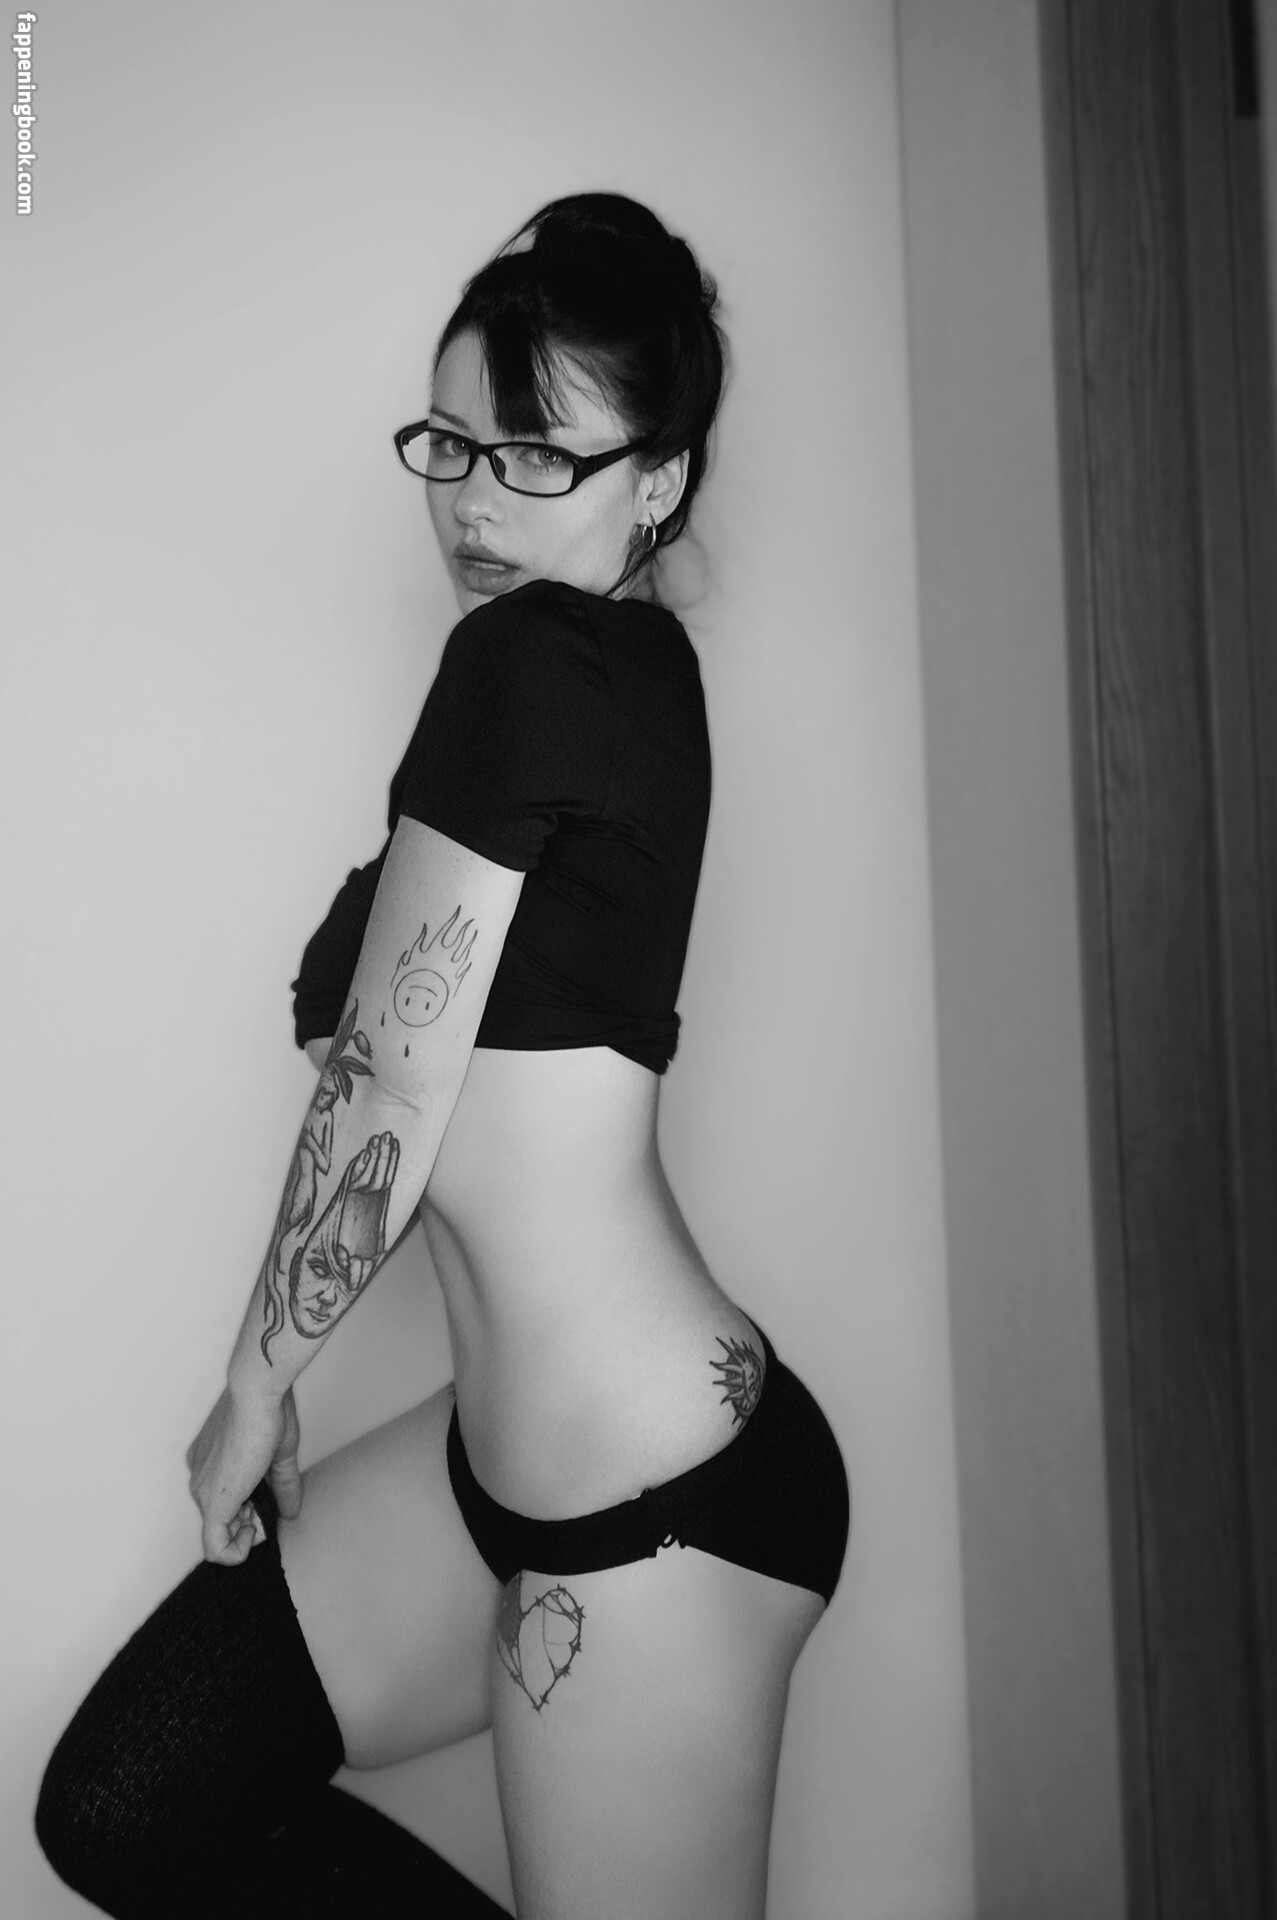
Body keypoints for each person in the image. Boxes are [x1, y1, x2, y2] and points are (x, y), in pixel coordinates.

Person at [35, 192, 850, 1919]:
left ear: (658, 479)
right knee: (128, 1806)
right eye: (451, 444)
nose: (476, 499)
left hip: (655, 1506)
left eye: (537, 453)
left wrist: (259, 1386)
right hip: (500, 1465)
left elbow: (392, 1085)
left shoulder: (537, 663)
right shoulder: (602, 679)